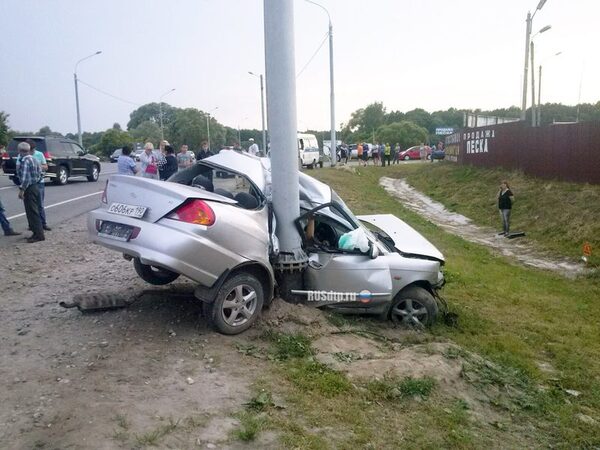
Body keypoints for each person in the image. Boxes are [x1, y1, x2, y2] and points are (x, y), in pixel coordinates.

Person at [16, 142, 44, 243]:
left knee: (32, 212)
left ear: (19, 151)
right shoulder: (34, 159)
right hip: (36, 185)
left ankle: (38, 234)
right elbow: (41, 173)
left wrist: (21, 190)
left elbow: (25, 178)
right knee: (34, 210)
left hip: (30, 188)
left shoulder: (25, 161)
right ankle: (36, 233)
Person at [27, 140, 51, 231]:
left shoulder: (39, 154)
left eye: (32, 150)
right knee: (30, 206)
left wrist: (36, 166)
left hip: (39, 182)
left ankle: (43, 223)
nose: (31, 152)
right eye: (30, 150)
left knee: (40, 204)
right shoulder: (22, 156)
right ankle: (32, 225)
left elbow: (46, 166)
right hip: (29, 183)